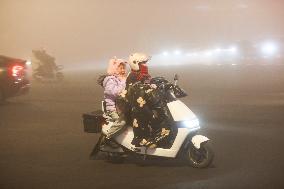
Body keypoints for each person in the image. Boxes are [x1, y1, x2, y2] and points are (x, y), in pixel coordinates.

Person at [123, 53, 172, 148]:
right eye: (143, 63)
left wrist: (160, 84)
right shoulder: (133, 75)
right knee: (149, 115)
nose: (146, 64)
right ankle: (143, 139)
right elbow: (135, 91)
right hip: (137, 105)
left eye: (146, 62)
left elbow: (150, 83)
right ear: (135, 63)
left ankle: (162, 135)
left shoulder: (144, 75)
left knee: (162, 111)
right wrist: (148, 87)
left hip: (146, 102)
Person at [97, 57, 127, 139]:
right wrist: (124, 82)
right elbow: (115, 92)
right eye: (120, 68)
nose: (123, 71)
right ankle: (108, 137)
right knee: (122, 121)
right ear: (115, 69)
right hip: (112, 108)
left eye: (124, 68)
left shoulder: (119, 79)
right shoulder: (110, 80)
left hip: (121, 106)